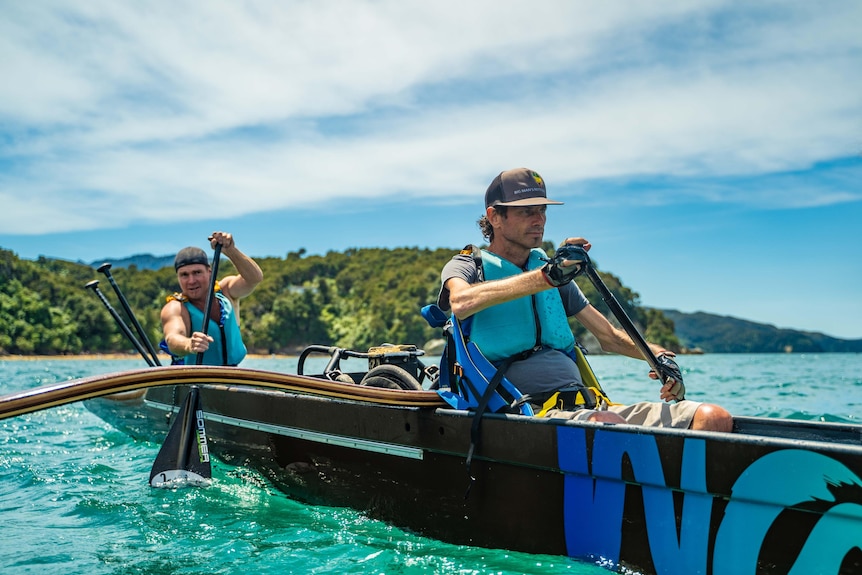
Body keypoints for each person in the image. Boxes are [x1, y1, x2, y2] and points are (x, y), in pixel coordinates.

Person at [437, 168, 732, 431]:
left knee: (712, 417)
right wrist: (545, 277)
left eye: (542, 210)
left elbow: (610, 337)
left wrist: (660, 358)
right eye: (527, 212)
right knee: (608, 427)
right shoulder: (468, 266)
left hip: (586, 408)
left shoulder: (552, 273)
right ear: (494, 217)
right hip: (524, 414)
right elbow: (461, 302)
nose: (539, 220)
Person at [161, 231, 264, 366]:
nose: (191, 281)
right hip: (194, 380)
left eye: (197, 273)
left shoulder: (226, 290)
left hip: (233, 376)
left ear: (209, 272)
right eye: (184, 275)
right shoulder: (176, 307)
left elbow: (254, 278)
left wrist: (231, 250)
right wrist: (189, 344)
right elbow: (173, 339)